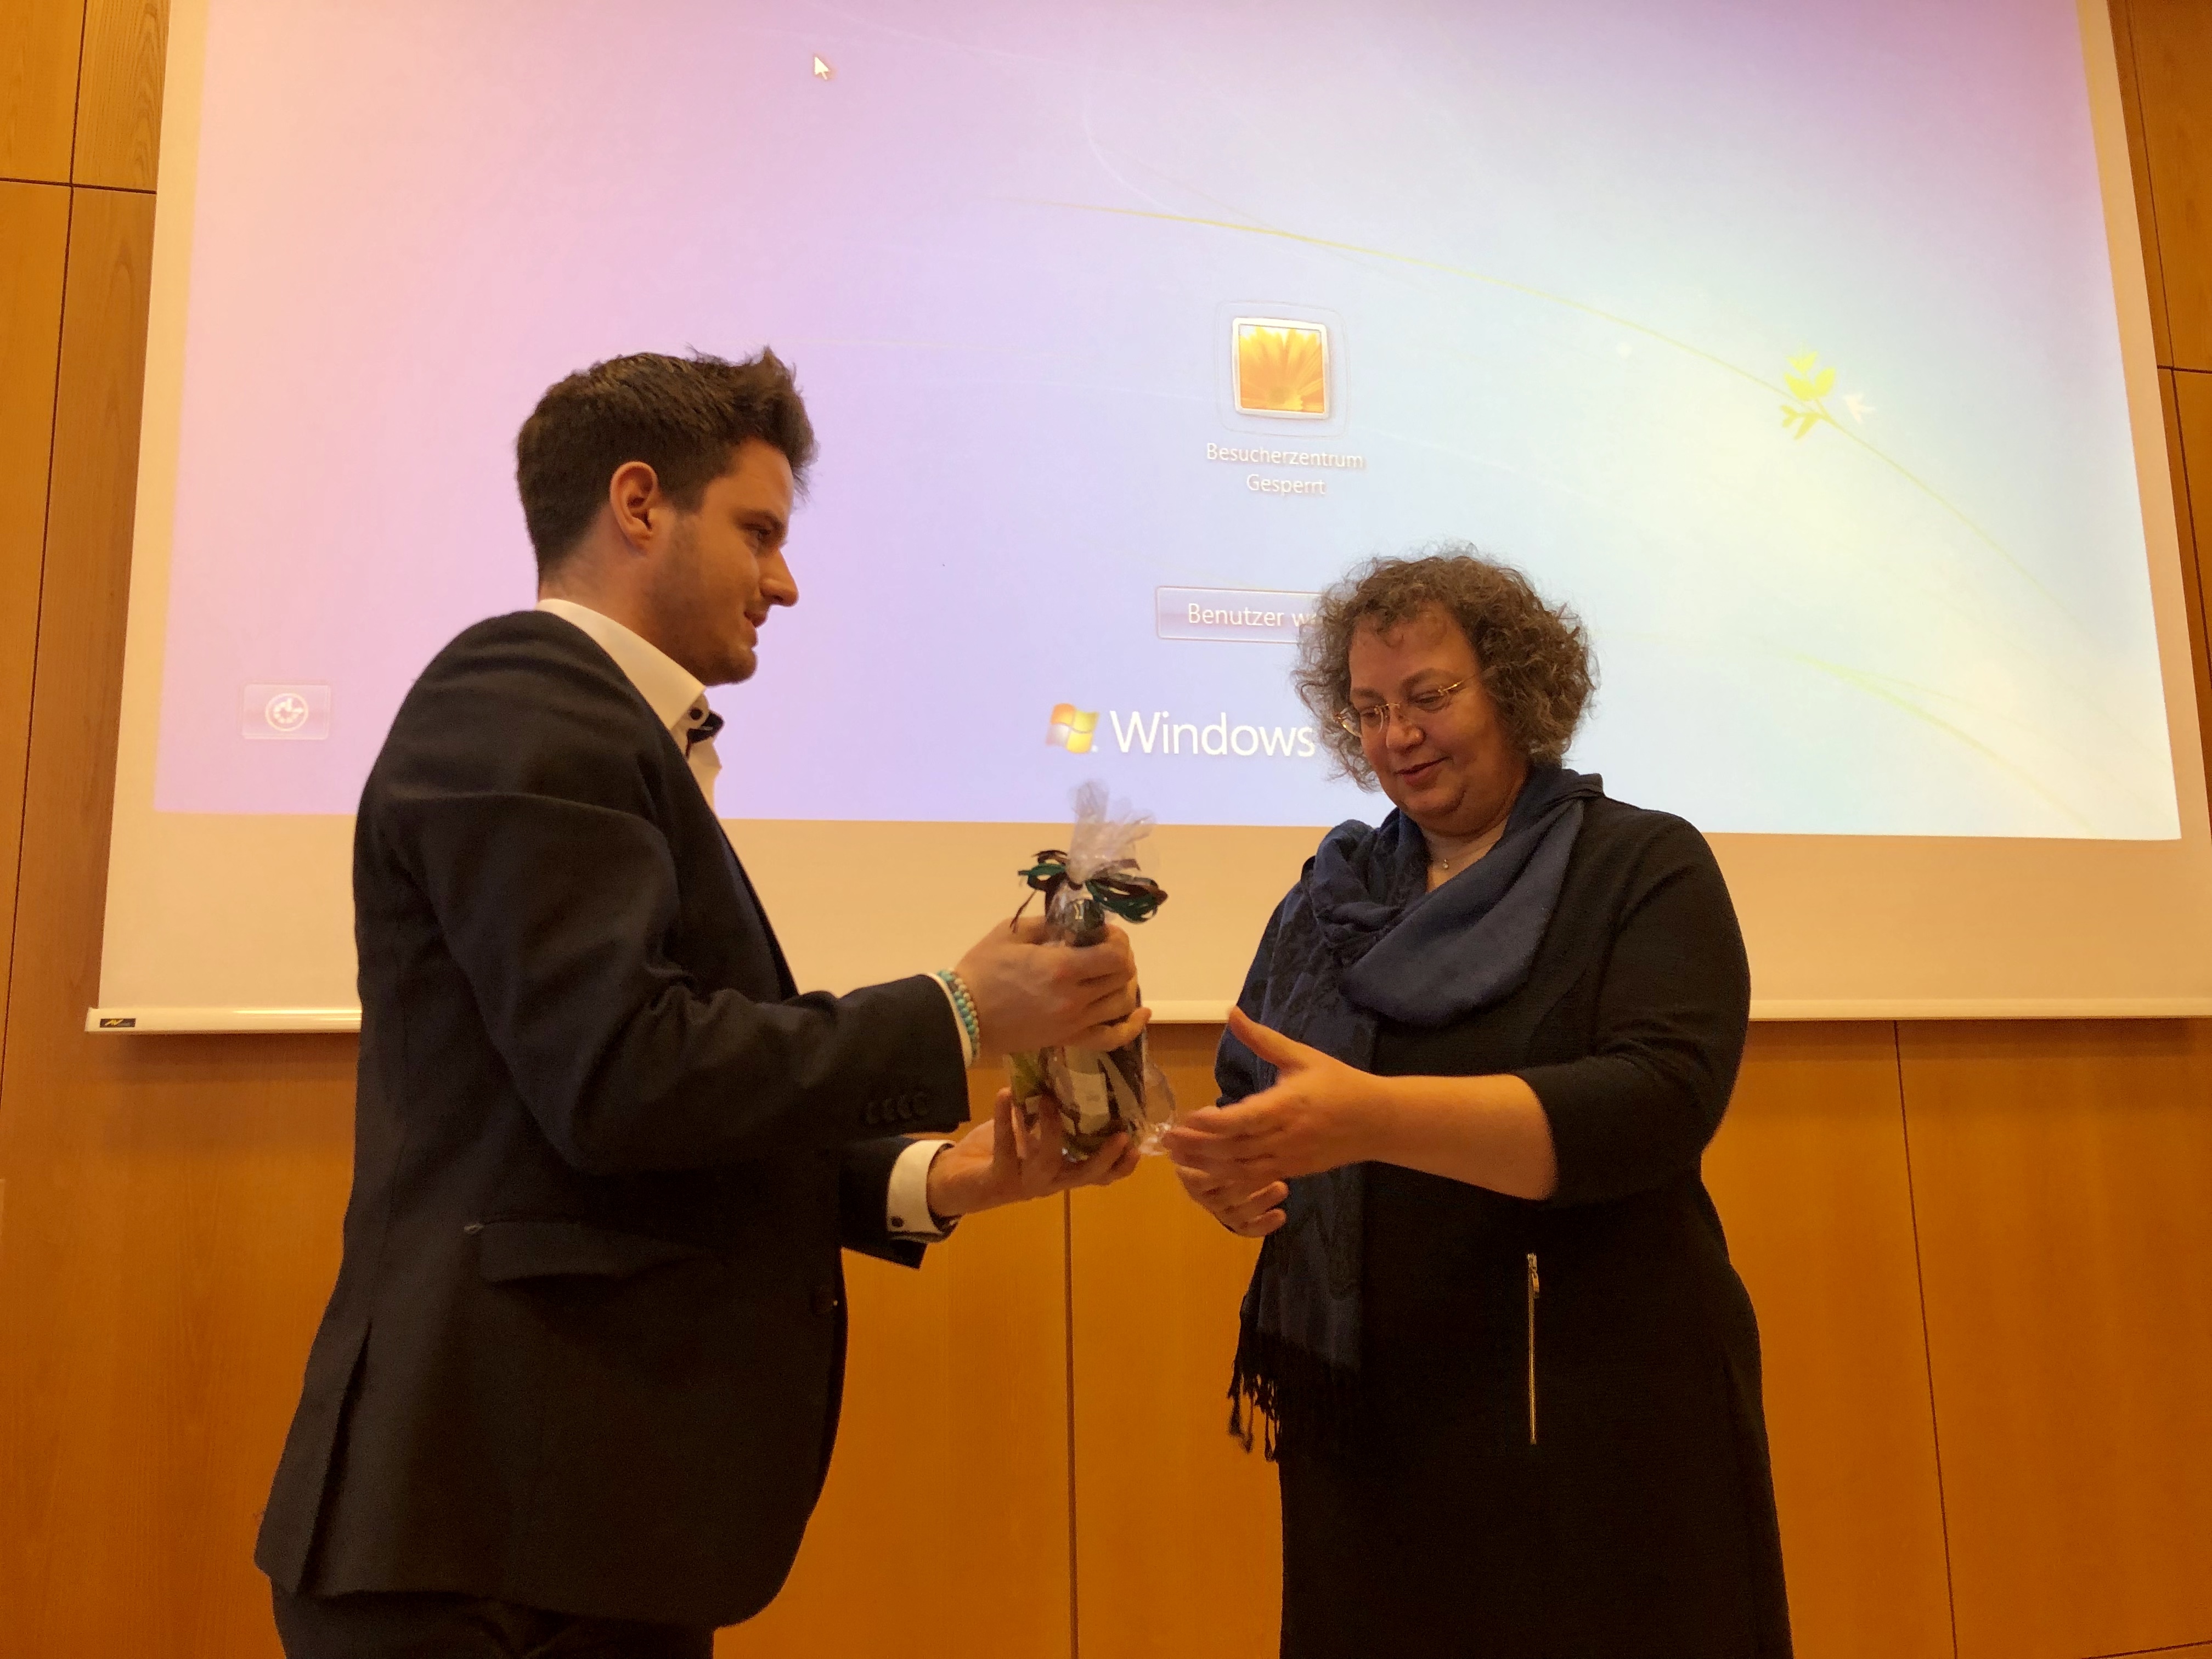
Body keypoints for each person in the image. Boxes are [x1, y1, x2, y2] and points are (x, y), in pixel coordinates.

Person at [256, 350, 1143, 1657]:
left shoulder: (601, 730)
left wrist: (948, 1177)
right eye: (759, 532)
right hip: (483, 1527)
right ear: (637, 504)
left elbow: (659, 1118)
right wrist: (960, 1011)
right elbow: (622, 1080)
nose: (786, 582)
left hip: (572, 1526)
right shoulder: (517, 698)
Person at [1163, 549, 1790, 1658]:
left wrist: (1374, 1119)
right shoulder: (1329, 898)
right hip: (1369, 1422)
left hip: (1589, 1412)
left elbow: (1657, 1104)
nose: (1397, 736)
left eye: (1429, 696)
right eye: (1368, 710)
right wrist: (1234, 1177)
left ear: (1517, 687)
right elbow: (1264, 1103)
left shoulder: (1638, 864)